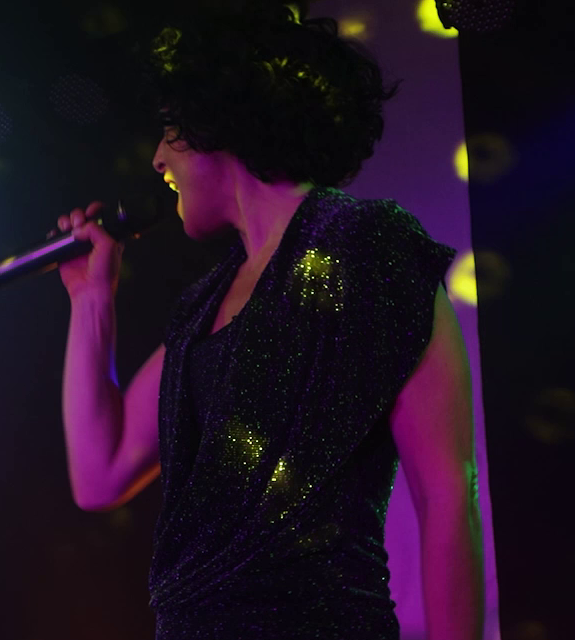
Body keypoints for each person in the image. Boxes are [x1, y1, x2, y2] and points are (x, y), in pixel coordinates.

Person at [53, 5, 484, 639]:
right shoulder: (203, 306)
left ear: (219, 123)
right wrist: (91, 299)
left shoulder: (368, 247)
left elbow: (446, 492)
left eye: (170, 131)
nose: (156, 161)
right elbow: (100, 472)